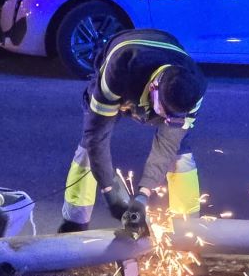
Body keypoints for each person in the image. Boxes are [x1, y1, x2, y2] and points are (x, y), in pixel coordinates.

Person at [59, 28, 207, 236]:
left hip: (165, 57)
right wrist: (111, 194)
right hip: (126, 69)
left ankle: (187, 232)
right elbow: (97, 139)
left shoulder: (194, 89)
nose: (167, 121)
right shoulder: (118, 72)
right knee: (88, 147)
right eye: (165, 115)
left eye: (173, 118)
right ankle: (74, 224)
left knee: (180, 154)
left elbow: (166, 146)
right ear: (154, 89)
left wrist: (142, 196)